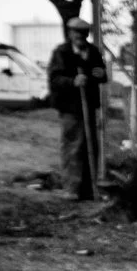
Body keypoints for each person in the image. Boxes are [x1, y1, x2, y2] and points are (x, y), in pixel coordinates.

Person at [47, 17, 107, 201]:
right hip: (70, 107)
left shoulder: (94, 51)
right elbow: (54, 79)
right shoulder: (61, 52)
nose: (80, 36)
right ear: (70, 34)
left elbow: (101, 74)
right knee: (73, 146)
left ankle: (89, 189)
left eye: (83, 33)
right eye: (76, 33)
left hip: (88, 106)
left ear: (87, 34)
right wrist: (72, 81)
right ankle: (72, 189)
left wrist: (100, 74)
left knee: (91, 146)